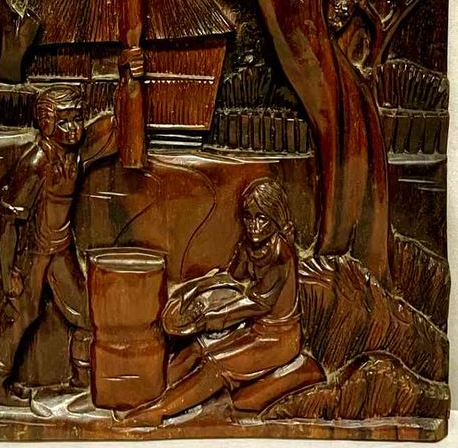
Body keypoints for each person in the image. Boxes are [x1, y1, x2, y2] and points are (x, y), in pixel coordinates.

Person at [122, 177, 322, 424]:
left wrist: (212, 318)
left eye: (262, 218)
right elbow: (232, 277)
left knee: (214, 365)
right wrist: (193, 289)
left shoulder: (281, 253)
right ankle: (147, 396)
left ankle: (160, 412)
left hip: (278, 338)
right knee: (196, 347)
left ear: (276, 218)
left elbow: (259, 304)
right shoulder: (249, 245)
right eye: (248, 217)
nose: (253, 226)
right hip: (254, 328)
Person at [0, 83, 106, 405]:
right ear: (47, 124)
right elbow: (8, 221)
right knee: (19, 314)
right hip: (32, 254)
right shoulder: (35, 162)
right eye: (64, 120)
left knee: (85, 313)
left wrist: (130, 83)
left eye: (77, 118)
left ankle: (82, 381)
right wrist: (8, 273)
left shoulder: (74, 155)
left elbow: (115, 130)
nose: (74, 127)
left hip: (60, 250)